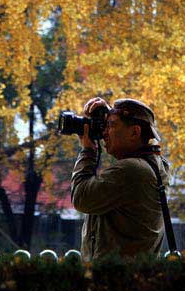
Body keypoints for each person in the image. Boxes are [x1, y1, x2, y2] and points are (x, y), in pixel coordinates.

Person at [70, 96, 172, 261]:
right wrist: (109, 113)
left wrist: (88, 151)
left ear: (135, 132)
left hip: (114, 280)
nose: (104, 133)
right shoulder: (155, 165)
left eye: (110, 126)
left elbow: (81, 198)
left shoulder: (132, 170)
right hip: (133, 277)